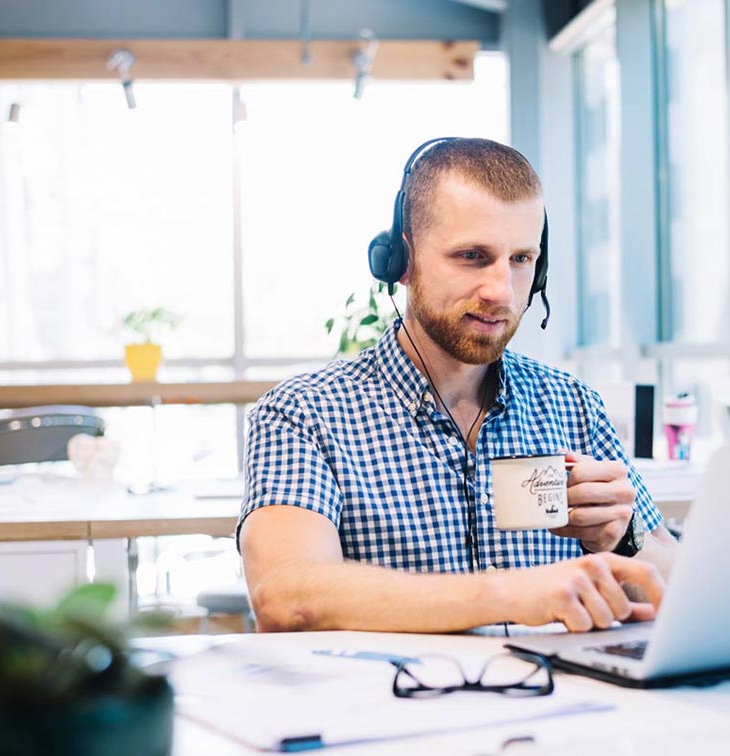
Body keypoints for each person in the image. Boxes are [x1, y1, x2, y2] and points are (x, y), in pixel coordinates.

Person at [239, 137, 677, 634]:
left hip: (563, 704)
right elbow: (286, 595)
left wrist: (622, 539)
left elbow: (676, 584)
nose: (501, 291)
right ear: (401, 262)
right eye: (472, 256)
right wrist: (508, 593)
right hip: (397, 705)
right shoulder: (304, 414)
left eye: (521, 259)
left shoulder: (572, 404)